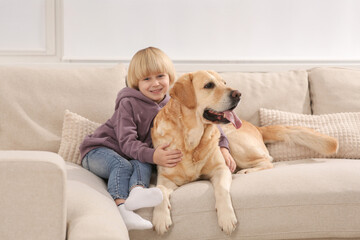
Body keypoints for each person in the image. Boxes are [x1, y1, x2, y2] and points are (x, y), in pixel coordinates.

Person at [79, 46, 236, 231]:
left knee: (142, 163)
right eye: (147, 79)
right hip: (100, 151)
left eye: (160, 76)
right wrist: (154, 156)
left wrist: (223, 147)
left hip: (135, 154)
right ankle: (122, 208)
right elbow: (126, 142)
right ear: (136, 82)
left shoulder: (173, 102)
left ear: (169, 76)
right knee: (123, 165)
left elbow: (208, 121)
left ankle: (137, 191)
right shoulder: (127, 103)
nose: (155, 84)